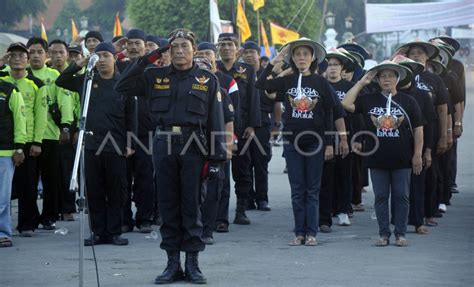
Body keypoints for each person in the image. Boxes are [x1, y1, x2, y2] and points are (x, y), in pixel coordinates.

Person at [115, 28, 227, 284]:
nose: (178, 51)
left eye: (184, 46)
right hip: (164, 142)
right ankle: (172, 263)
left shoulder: (207, 80)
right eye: (174, 46)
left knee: (191, 205)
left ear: (194, 50)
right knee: (167, 205)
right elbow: (123, 85)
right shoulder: (154, 76)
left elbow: (216, 122)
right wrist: (148, 58)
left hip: (194, 145)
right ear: (168, 50)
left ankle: (193, 264)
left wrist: (216, 160)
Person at [255, 38, 335, 246]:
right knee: (298, 188)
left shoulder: (321, 82)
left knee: (312, 189)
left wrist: (329, 143)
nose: (301, 58)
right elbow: (260, 85)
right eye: (297, 54)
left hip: (316, 141)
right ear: (293, 58)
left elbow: (330, 113)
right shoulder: (287, 81)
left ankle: (312, 233)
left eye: (305, 54)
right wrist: (275, 63)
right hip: (292, 141)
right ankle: (299, 232)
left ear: (312, 58)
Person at [56, 42, 136, 246]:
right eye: (97, 56)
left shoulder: (123, 84)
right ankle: (98, 232)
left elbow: (131, 117)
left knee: (117, 191)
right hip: (91, 144)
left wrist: (130, 143)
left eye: (105, 56)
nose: (101, 61)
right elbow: (62, 80)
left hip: (116, 145)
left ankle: (115, 231)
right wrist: (80, 63)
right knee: (94, 190)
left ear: (114, 58)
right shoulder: (88, 81)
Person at [341, 60, 423, 247]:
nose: (387, 79)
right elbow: (346, 103)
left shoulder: (408, 101)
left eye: (391, 76)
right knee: (381, 197)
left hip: (402, 158)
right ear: (377, 79)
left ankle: (400, 233)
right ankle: (384, 234)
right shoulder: (369, 99)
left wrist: (417, 154)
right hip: (377, 158)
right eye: (383, 76)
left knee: (401, 196)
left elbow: (419, 130)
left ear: (398, 79)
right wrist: (362, 82)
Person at [397, 39, 448, 227]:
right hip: (400, 141)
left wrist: (445, 135)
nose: (416, 55)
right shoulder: (395, 87)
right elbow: (383, 70)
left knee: (427, 176)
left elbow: (441, 111)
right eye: (412, 53)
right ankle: (401, 218)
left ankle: (425, 215)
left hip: (426, 134)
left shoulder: (434, 81)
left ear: (427, 57)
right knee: (401, 183)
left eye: (420, 52)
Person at [1, 42, 48, 236]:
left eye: (22, 55)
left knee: (27, 185)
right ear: (8, 59)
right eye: (14, 55)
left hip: (27, 141)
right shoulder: (3, 81)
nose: (18, 59)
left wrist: (37, 141)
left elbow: (41, 114)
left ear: (27, 60)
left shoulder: (36, 84)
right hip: (5, 141)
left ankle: (27, 224)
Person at [216, 33, 261, 225]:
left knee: (242, 170)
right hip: (219, 128)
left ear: (238, 49)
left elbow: (253, 97)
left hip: (241, 127)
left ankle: (241, 210)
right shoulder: (212, 67)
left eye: (230, 44)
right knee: (218, 173)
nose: (226, 48)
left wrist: (252, 124)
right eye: (222, 44)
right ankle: (219, 214)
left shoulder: (247, 70)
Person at [116, 28, 156, 234]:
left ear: (145, 46)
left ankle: (144, 217)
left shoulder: (152, 70)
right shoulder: (118, 67)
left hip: (146, 132)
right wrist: (115, 51)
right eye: (129, 43)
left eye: (137, 44)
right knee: (122, 178)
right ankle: (124, 218)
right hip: (120, 133)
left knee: (145, 177)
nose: (133, 47)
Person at [392, 55, 437, 235]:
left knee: (417, 185)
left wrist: (427, 151)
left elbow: (430, 124)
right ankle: (396, 221)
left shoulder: (422, 95)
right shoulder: (389, 93)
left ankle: (418, 221)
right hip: (394, 147)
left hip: (416, 147)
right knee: (396, 188)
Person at [196, 42, 237, 237]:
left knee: (214, 189)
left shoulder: (221, 91)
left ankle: (209, 229)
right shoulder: (187, 89)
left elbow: (229, 121)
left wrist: (228, 146)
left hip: (215, 147)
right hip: (191, 147)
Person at [242, 40, 282, 211]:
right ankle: (248, 199)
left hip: (263, 122)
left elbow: (277, 104)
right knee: (244, 163)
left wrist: (276, 125)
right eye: (246, 52)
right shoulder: (240, 74)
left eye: (252, 52)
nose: (249, 55)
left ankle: (262, 199)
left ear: (259, 55)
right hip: (243, 123)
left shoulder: (268, 76)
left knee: (261, 161)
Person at [0, 79, 27, 247]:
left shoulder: (8, 89)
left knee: (2, 198)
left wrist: (19, 148)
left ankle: (3, 232)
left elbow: (20, 118)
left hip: (4, 152)